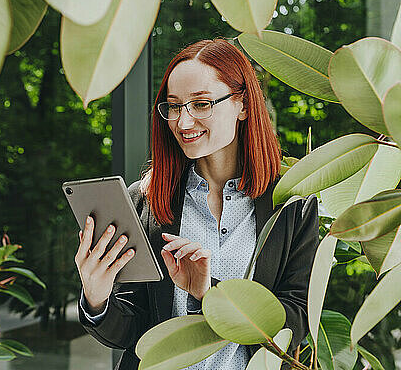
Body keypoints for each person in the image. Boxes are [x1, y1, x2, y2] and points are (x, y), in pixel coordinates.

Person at [74, 38, 319, 370]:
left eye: (201, 103)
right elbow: (131, 331)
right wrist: (96, 296)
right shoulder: (144, 200)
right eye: (174, 106)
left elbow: (297, 322)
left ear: (243, 105)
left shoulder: (293, 205)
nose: (183, 122)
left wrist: (209, 294)